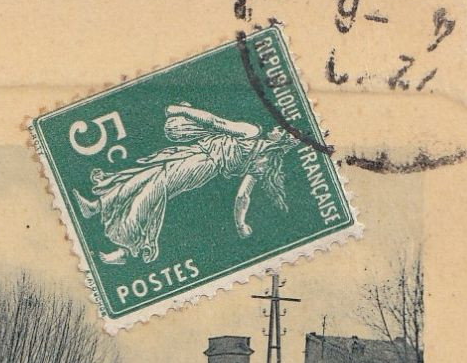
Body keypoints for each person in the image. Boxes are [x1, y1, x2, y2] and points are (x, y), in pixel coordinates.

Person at [73, 103, 298, 266]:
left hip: (202, 161)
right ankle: (98, 205)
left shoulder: (253, 133)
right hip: (196, 156)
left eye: (281, 130)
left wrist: (181, 110)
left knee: (156, 186)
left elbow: (214, 121)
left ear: (283, 140)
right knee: (148, 173)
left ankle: (127, 246)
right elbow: (242, 196)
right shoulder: (263, 163)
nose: (276, 128)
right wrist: (240, 225)